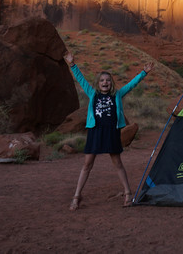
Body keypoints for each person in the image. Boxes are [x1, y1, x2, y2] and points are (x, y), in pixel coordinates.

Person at [63, 51, 153, 211]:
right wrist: (72, 65)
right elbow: (81, 80)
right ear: (98, 83)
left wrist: (143, 73)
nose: (105, 82)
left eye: (108, 80)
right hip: (95, 132)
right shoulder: (92, 94)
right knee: (87, 164)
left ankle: (127, 194)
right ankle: (77, 196)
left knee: (117, 163)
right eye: (102, 80)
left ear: (111, 83)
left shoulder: (117, 95)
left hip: (111, 132)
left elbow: (131, 85)